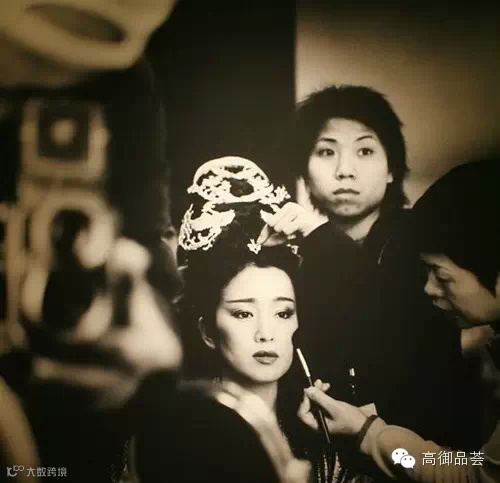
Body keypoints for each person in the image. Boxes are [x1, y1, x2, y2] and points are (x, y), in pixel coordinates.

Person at [258, 84, 469, 449]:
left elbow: (401, 322)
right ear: (303, 172)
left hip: (429, 456)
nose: (345, 171)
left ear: (392, 170)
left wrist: (319, 236)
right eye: (326, 152)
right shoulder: (295, 254)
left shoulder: (425, 242)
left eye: (365, 150)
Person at [142, 156, 338, 482]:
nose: (266, 333)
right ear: (208, 330)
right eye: (244, 313)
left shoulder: (327, 436)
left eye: (283, 313)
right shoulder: (174, 438)